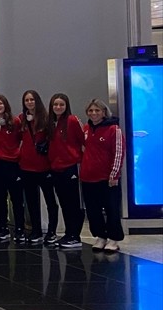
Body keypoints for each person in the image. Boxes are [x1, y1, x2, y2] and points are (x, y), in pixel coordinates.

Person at [80, 99, 124, 253]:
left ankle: (114, 239)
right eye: (91, 111)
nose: (94, 113)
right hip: (88, 178)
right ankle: (100, 236)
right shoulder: (86, 129)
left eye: (97, 110)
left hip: (107, 179)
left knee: (111, 209)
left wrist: (114, 175)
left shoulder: (113, 129)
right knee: (93, 210)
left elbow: (118, 153)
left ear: (104, 112)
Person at [19, 90, 58, 244]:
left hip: (45, 167)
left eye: (32, 100)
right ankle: (36, 230)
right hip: (27, 167)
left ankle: (52, 231)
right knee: (32, 201)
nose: (29, 102)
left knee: (50, 201)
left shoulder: (47, 119)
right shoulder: (21, 120)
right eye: (27, 100)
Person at [46, 93, 85, 249]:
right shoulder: (51, 123)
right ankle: (69, 233)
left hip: (71, 167)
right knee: (64, 202)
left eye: (61, 104)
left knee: (73, 203)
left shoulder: (72, 121)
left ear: (66, 106)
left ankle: (75, 235)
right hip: (56, 168)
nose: (58, 107)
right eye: (55, 104)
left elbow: (84, 141)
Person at [0, 95, 25, 242]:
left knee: (16, 199)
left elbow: (22, 139)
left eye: (0, 103)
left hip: (13, 165)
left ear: (5, 105)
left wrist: (17, 154)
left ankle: (20, 228)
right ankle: (1, 227)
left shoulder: (15, 122)